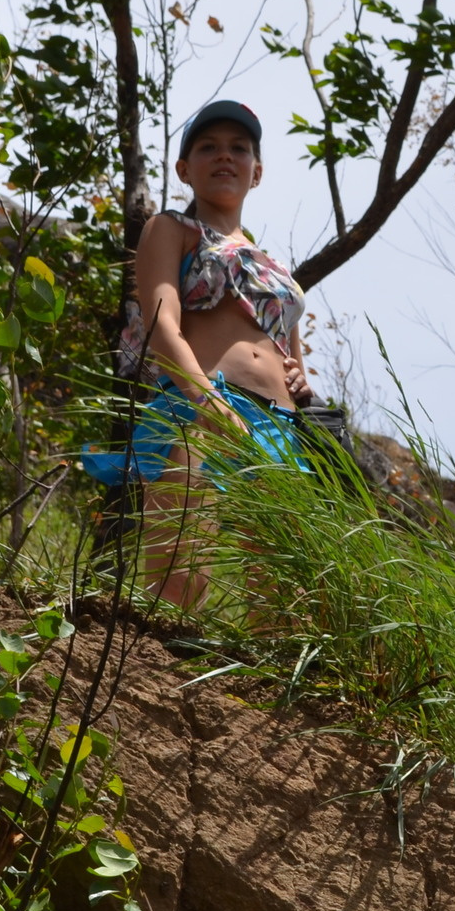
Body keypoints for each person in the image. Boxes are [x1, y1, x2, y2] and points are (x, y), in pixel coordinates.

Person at [82, 98, 311, 607]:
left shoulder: (275, 267)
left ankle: (264, 686)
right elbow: (162, 324)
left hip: (278, 424)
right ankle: (160, 678)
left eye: (239, 148)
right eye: (207, 147)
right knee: (181, 560)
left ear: (257, 172)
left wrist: (299, 378)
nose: (224, 156)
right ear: (185, 169)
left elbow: (289, 349)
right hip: (199, 398)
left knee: (284, 586)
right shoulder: (173, 229)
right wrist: (207, 400)